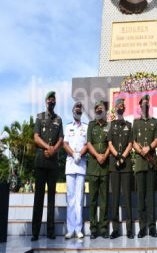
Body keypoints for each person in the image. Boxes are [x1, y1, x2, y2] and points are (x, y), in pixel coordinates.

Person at [31, 91, 63, 241]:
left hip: (53, 163)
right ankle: (35, 232)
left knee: (51, 198)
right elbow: (36, 137)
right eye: (49, 99)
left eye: (53, 100)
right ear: (46, 101)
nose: (51, 101)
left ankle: (51, 231)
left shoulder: (59, 119)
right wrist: (47, 148)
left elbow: (61, 139)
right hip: (41, 160)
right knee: (38, 197)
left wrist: (53, 150)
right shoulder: (40, 117)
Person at [108, 98, 134, 239]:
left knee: (127, 198)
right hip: (114, 165)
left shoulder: (129, 125)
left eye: (122, 106)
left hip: (126, 165)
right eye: (118, 105)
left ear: (124, 108)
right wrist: (117, 155)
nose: (120, 107)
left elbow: (130, 143)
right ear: (115, 108)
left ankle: (129, 229)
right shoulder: (111, 125)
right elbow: (110, 143)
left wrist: (123, 156)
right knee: (115, 198)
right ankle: (115, 229)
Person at [133, 95, 157, 238]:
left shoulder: (154, 122)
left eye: (147, 104)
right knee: (141, 197)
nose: (145, 106)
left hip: (150, 163)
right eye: (143, 104)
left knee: (151, 197)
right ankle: (142, 227)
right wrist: (140, 150)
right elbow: (133, 141)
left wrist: (148, 147)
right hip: (140, 164)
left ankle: (152, 226)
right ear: (139, 106)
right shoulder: (135, 123)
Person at [63, 101, 88, 239]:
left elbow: (87, 144)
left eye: (80, 109)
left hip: (81, 165)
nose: (78, 111)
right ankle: (70, 229)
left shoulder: (86, 127)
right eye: (76, 109)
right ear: (73, 111)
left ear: (81, 112)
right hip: (71, 165)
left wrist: (80, 154)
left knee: (79, 199)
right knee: (70, 199)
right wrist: (73, 154)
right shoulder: (68, 127)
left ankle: (78, 229)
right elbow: (65, 143)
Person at [86, 101, 110, 239]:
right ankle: (93, 229)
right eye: (97, 108)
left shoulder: (108, 126)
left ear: (104, 110)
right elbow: (89, 143)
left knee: (104, 200)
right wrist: (97, 155)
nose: (99, 110)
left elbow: (110, 143)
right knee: (93, 200)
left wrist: (104, 156)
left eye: (101, 108)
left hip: (105, 167)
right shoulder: (91, 125)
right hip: (94, 167)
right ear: (95, 111)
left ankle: (103, 228)